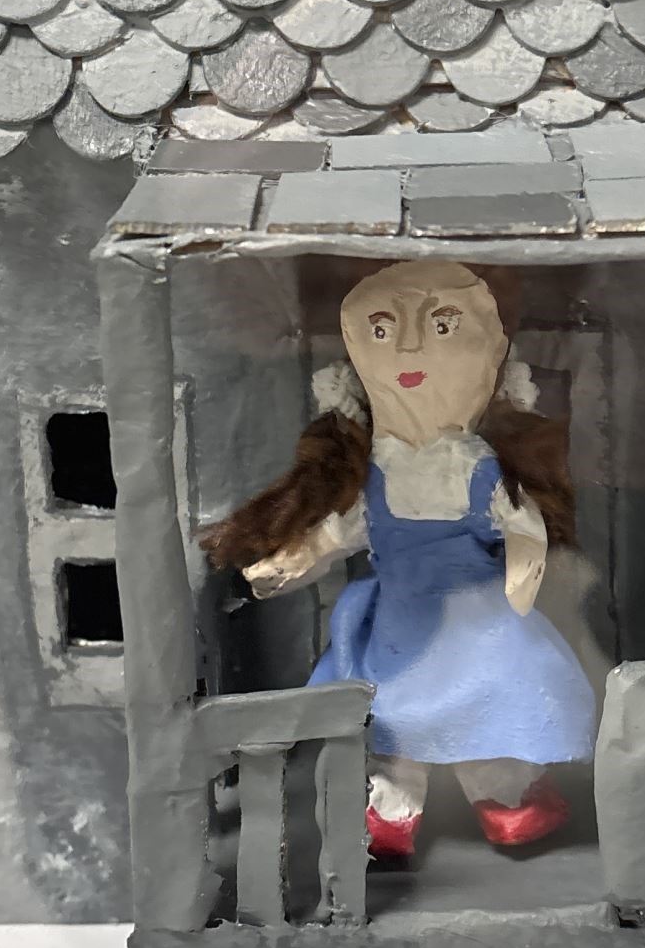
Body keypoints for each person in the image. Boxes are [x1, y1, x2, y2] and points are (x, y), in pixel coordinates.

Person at [202, 262, 596, 860]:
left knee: (482, 706)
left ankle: (504, 800)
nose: (409, 350)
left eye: (441, 328)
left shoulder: (479, 466)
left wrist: (526, 563)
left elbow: (521, 523)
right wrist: (285, 564)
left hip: (477, 617)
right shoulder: (374, 474)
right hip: (403, 618)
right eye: (383, 332)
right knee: (398, 720)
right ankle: (394, 811)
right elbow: (337, 533)